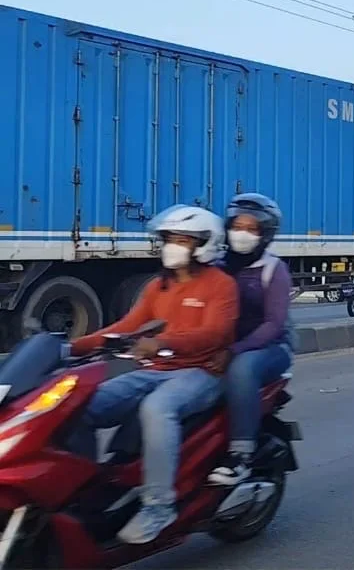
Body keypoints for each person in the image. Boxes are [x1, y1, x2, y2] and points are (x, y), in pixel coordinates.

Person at [70, 205, 237, 544]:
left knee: (158, 409)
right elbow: (127, 327)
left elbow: (215, 334)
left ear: (203, 244)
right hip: (153, 370)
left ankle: (160, 506)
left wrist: (161, 341)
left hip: (200, 373)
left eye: (181, 239)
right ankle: (83, 490)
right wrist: (73, 347)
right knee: (79, 405)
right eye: (168, 239)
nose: (172, 246)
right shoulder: (157, 287)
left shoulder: (221, 286)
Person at [208, 193, 294, 487]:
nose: (242, 233)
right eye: (237, 225)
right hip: (223, 346)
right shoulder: (216, 265)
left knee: (241, 369)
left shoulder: (274, 269)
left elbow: (274, 323)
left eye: (252, 228)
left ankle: (240, 455)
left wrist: (236, 350)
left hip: (270, 348)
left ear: (265, 234)